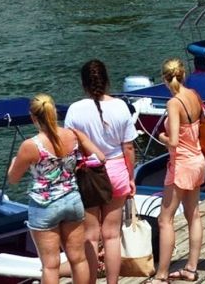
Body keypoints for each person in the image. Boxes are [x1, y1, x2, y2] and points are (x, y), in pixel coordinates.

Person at [7, 94, 98, 284]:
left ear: (33, 117)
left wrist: (14, 162)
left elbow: (13, 179)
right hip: (72, 199)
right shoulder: (72, 135)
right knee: (78, 258)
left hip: (45, 205)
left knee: (50, 265)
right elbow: (91, 155)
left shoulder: (31, 145)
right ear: (54, 112)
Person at [65, 60, 137, 284]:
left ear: (84, 84)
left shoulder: (75, 110)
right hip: (117, 170)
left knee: (90, 235)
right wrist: (131, 176)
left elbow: (69, 147)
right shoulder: (121, 107)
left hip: (88, 173)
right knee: (112, 234)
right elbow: (128, 147)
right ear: (107, 81)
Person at [151, 58, 205, 283]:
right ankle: (191, 268)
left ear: (165, 79)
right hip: (197, 159)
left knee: (165, 220)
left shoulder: (174, 103)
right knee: (193, 214)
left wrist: (160, 136)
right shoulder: (193, 94)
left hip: (182, 164)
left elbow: (173, 141)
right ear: (184, 75)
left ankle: (162, 274)